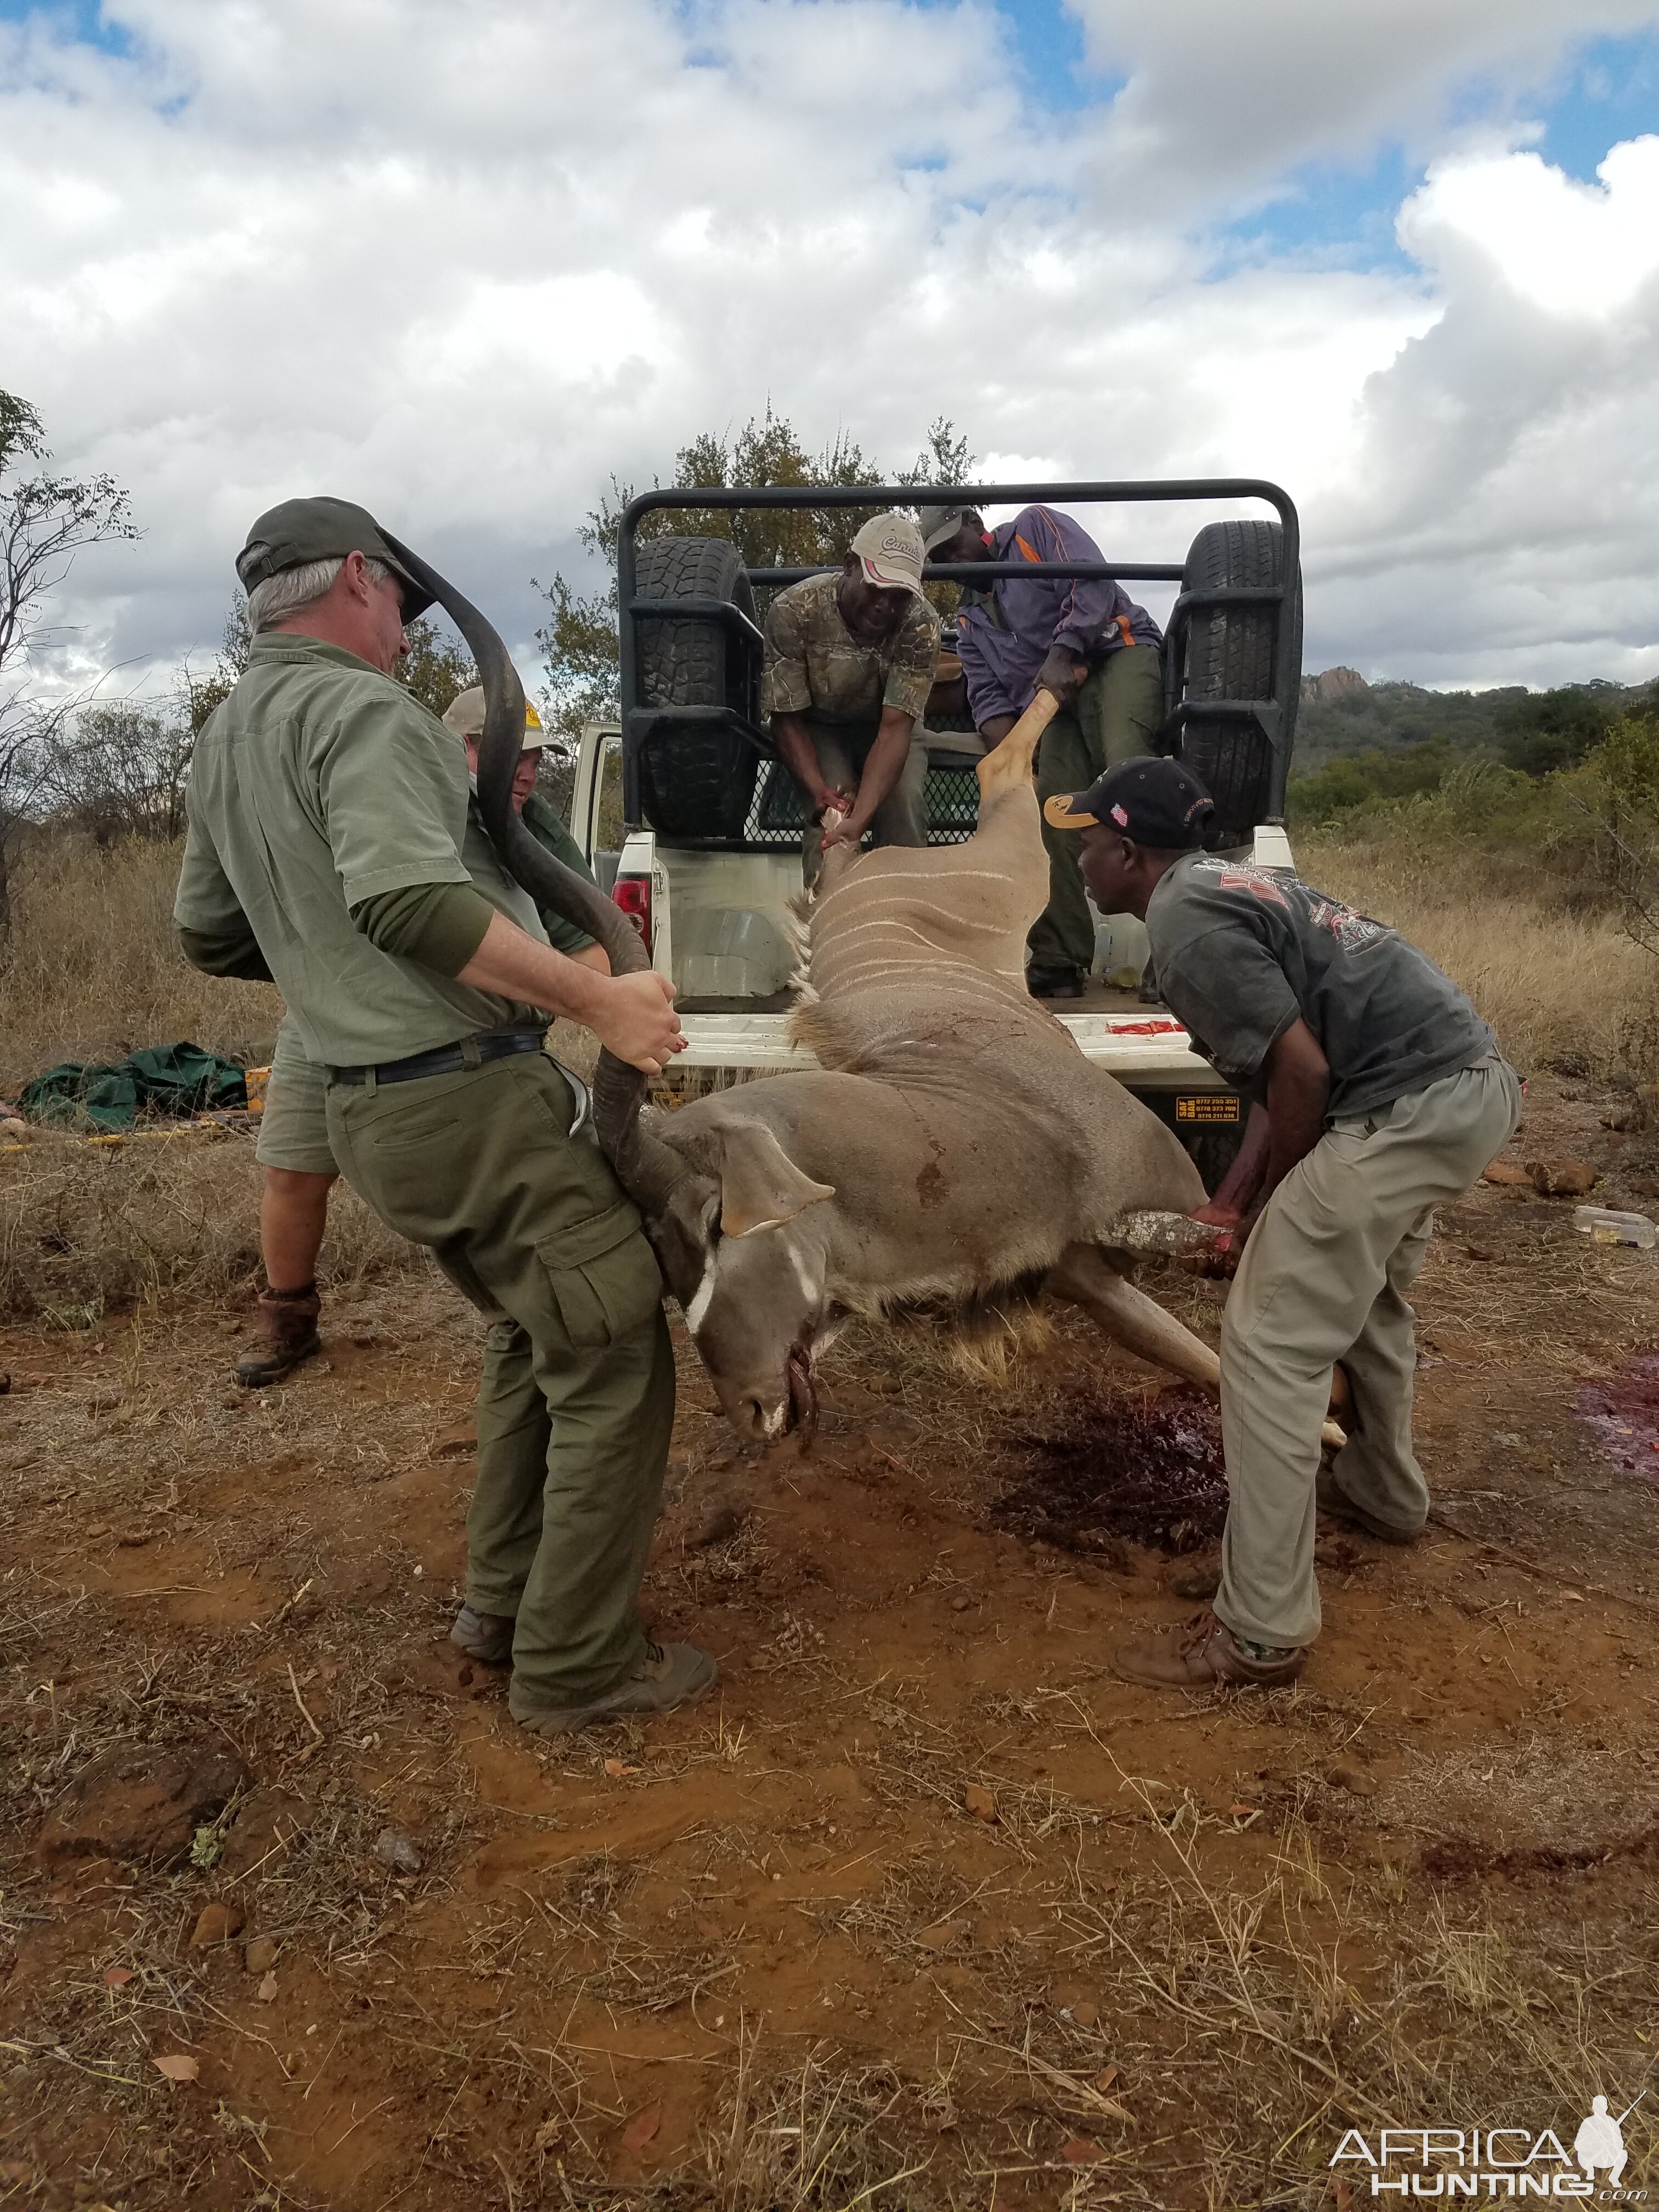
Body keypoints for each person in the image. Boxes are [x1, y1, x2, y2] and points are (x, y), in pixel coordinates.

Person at [176, 495, 709, 1736]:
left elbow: (209, 932)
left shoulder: (229, 734)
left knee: (538, 1332)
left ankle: (500, 1607)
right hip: (468, 1098)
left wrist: (329, 971)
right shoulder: (361, 711)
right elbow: (411, 901)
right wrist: (602, 1002)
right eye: (401, 609)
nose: (411, 636)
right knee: (616, 1347)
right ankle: (577, 1667)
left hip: (376, 1120)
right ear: (358, 578)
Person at [1041, 755, 1520, 1689]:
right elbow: (1278, 1067)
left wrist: (1267, 1210)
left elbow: (1300, 1080)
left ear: (1128, 851)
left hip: (1402, 1107)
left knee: (1265, 1344)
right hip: (1463, 1088)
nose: (1081, 863)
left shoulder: (1180, 928)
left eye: (1088, 844)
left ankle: (1257, 1630)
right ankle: (1380, 1491)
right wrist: (1235, 1201)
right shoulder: (1233, 879)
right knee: (1367, 1299)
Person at [236, 686, 610, 1389]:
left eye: (534, 755)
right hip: (332, 1015)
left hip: (448, 1037)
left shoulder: (537, 832)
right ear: (451, 749)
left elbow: (591, 949)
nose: (523, 770)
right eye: (502, 752)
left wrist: (541, 989)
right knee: (292, 1166)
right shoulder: (384, 788)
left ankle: (534, 1321)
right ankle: (287, 1316)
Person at [921, 503, 1164, 998]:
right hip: (1054, 704)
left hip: (1116, 655)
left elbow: (1090, 582)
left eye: (952, 546)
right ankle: (1059, 955)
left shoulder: (1035, 527)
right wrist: (1014, 752)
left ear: (974, 523)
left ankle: (1175, 949)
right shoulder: (967, 621)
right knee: (1051, 808)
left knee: (1129, 785)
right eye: (940, 558)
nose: (952, 560)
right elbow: (986, 695)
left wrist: (1063, 652)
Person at [762, 512, 940, 874]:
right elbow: (786, 717)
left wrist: (865, 816)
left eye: (900, 596)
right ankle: (827, 920)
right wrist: (817, 790)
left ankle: (901, 922)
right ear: (849, 566)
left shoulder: (921, 625)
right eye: (876, 587)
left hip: (889, 724)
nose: (886, 606)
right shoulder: (794, 610)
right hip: (820, 725)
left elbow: (894, 730)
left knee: (903, 805)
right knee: (831, 816)